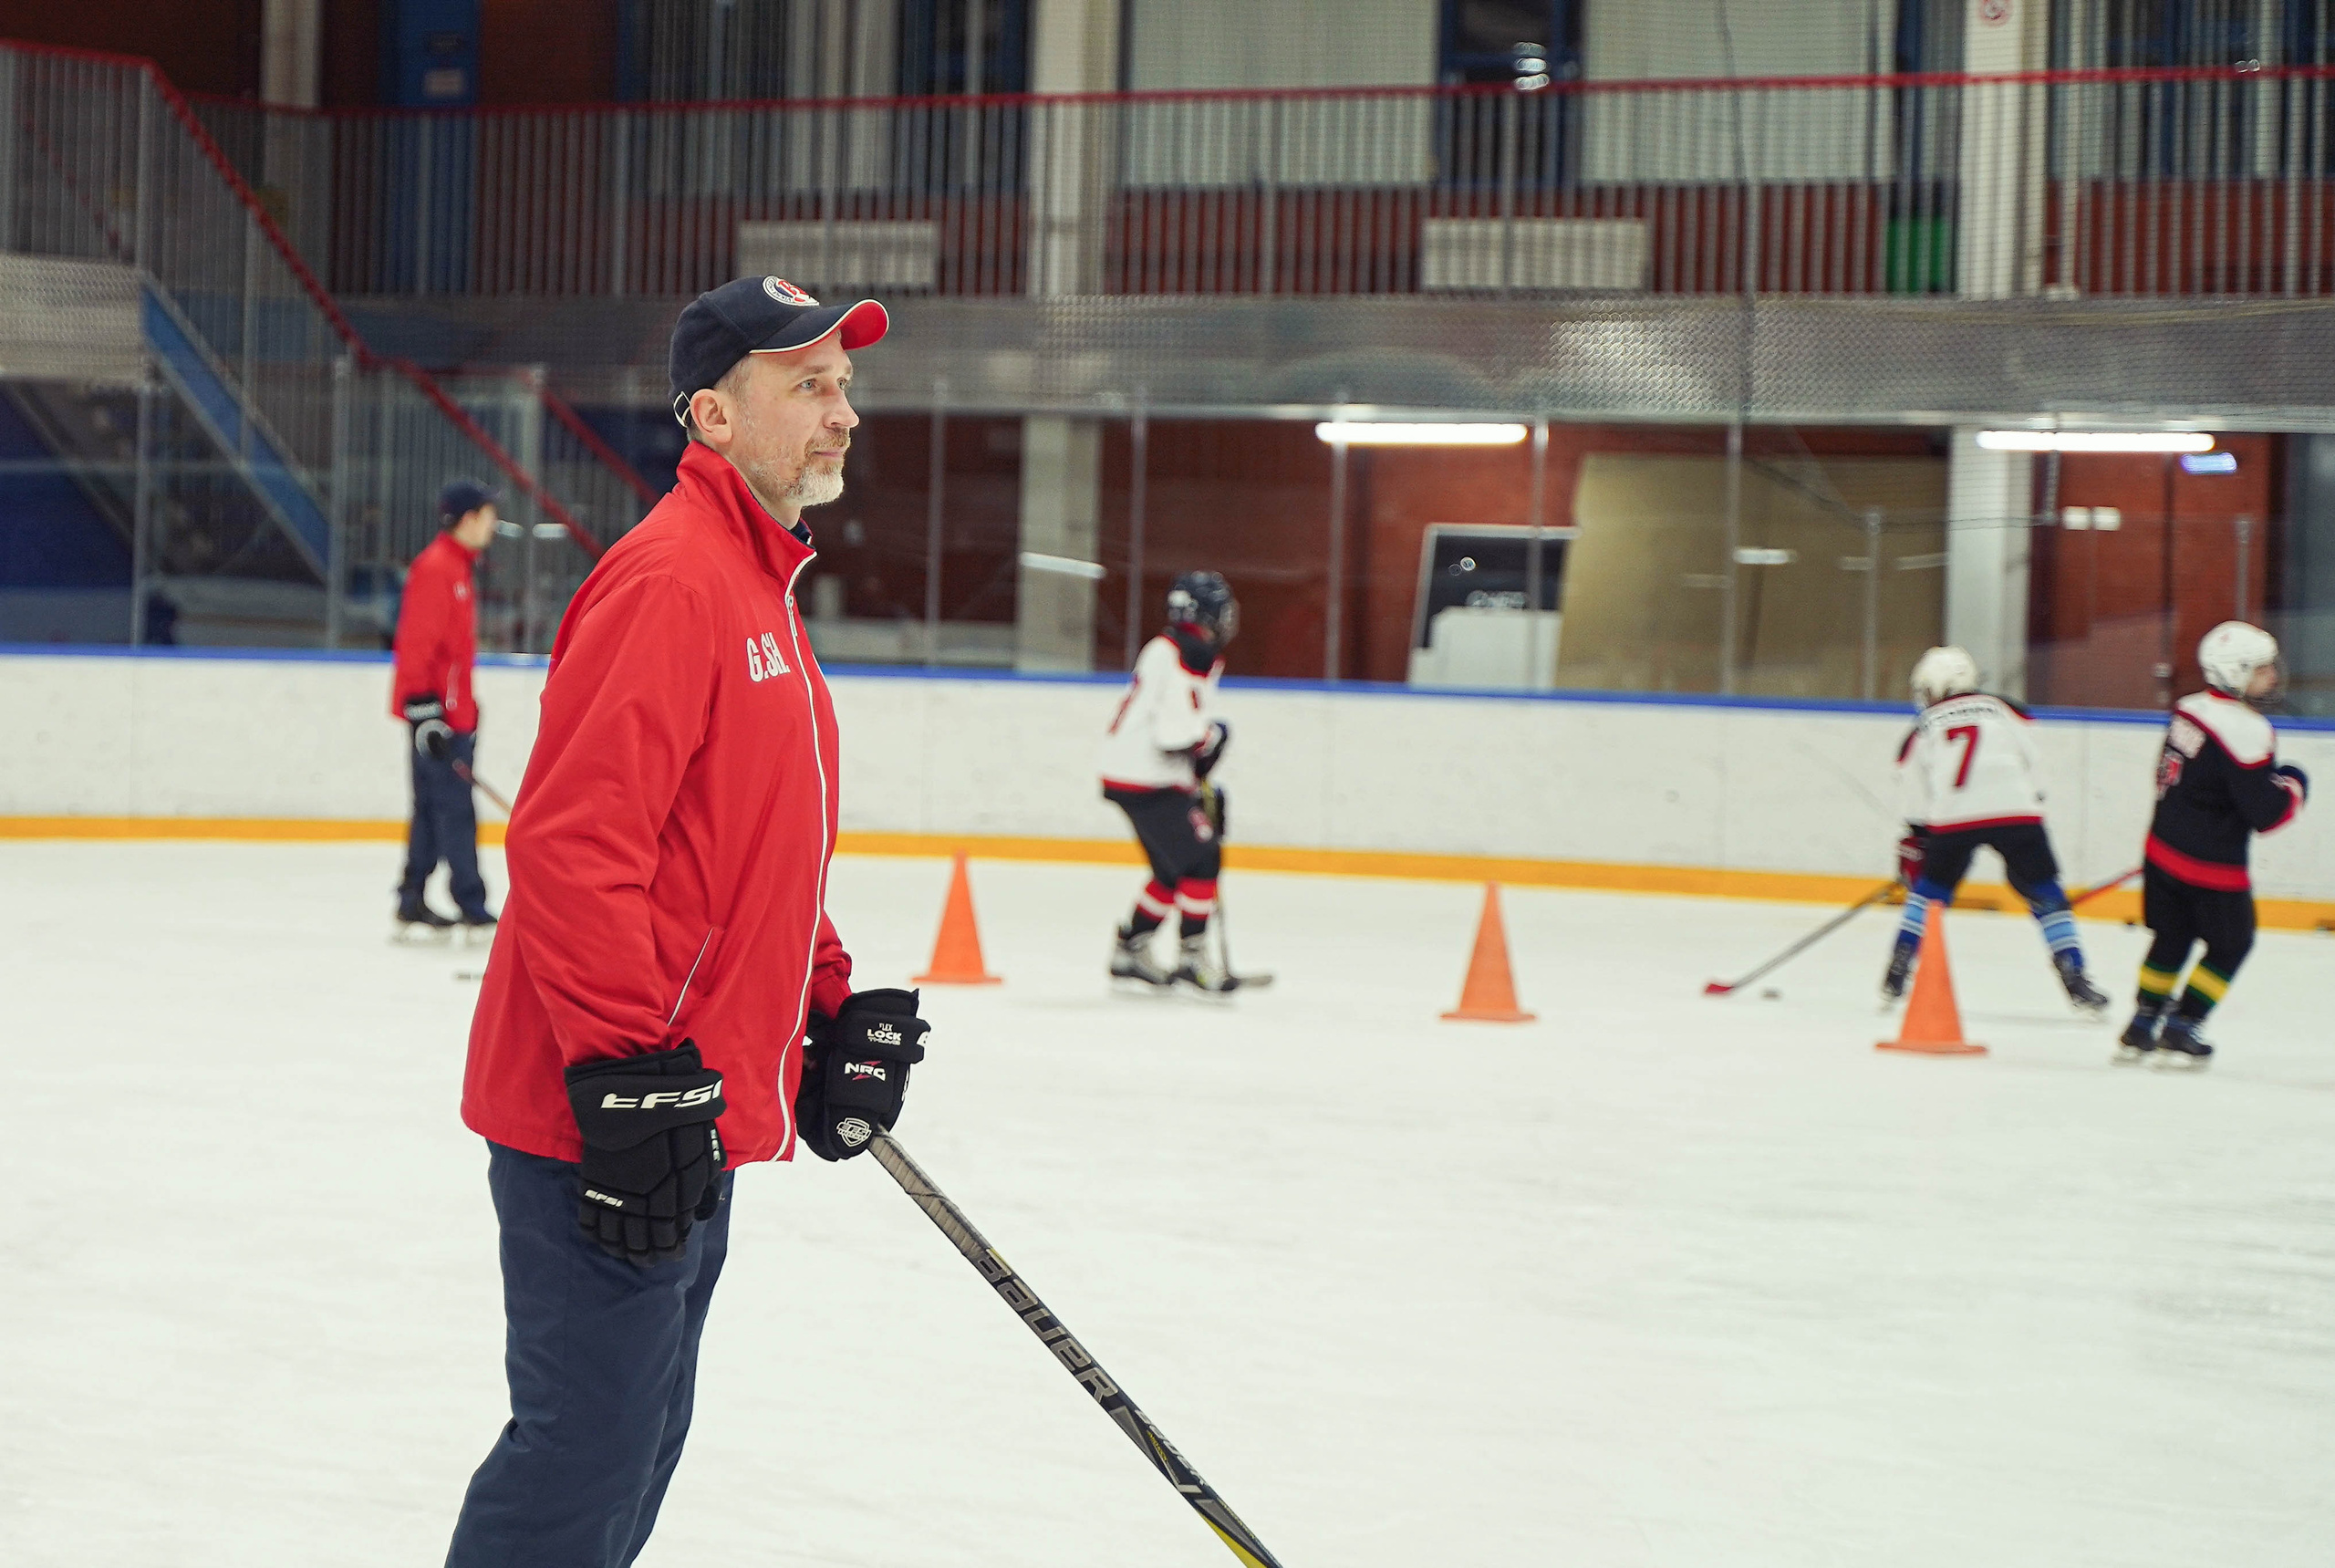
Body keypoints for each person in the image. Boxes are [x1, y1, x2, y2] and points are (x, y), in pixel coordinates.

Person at [445, 276, 929, 1568]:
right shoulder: (672, 580)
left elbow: (754, 847)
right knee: (579, 1455)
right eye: (809, 385)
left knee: (639, 1442)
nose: (844, 414)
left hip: (677, 1102)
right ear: (713, 414)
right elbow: (572, 846)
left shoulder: (758, 585)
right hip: (598, 1114)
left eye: (846, 384)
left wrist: (830, 1005)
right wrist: (622, 1070)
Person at [2116, 621, 2309, 1068]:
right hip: (2211, 866)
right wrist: (2296, 784)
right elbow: (2267, 814)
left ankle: (2142, 1023)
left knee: (2171, 938)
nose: (2273, 678)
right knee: (2232, 945)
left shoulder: (2188, 708)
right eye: (2262, 670)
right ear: (2234, 672)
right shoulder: (2248, 729)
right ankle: (2184, 1025)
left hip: (2163, 850)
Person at [1884, 645, 2110, 1012]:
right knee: (2046, 892)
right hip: (2016, 811)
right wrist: (2031, 799)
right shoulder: (2007, 709)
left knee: (1930, 891)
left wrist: (1916, 837)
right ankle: (2075, 975)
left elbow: (1912, 787)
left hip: (1954, 816)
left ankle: (1899, 965)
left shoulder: (1923, 726)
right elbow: (2034, 760)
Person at [1098, 570, 1239, 993]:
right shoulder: (1186, 653)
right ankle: (1193, 958)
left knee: (1172, 869)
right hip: (1147, 778)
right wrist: (1213, 737)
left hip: (1133, 773)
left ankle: (1129, 951)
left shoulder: (1171, 648)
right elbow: (1174, 735)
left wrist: (1197, 772)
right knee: (1202, 859)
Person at [390, 479, 500, 936]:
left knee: (433, 809)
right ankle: (471, 904)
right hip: (438, 720)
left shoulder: (457, 568)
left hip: (453, 716)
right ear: (470, 518)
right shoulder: (438, 569)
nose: (493, 527)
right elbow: (418, 645)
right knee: (453, 810)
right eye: (490, 517)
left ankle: (412, 898)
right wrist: (425, 712)